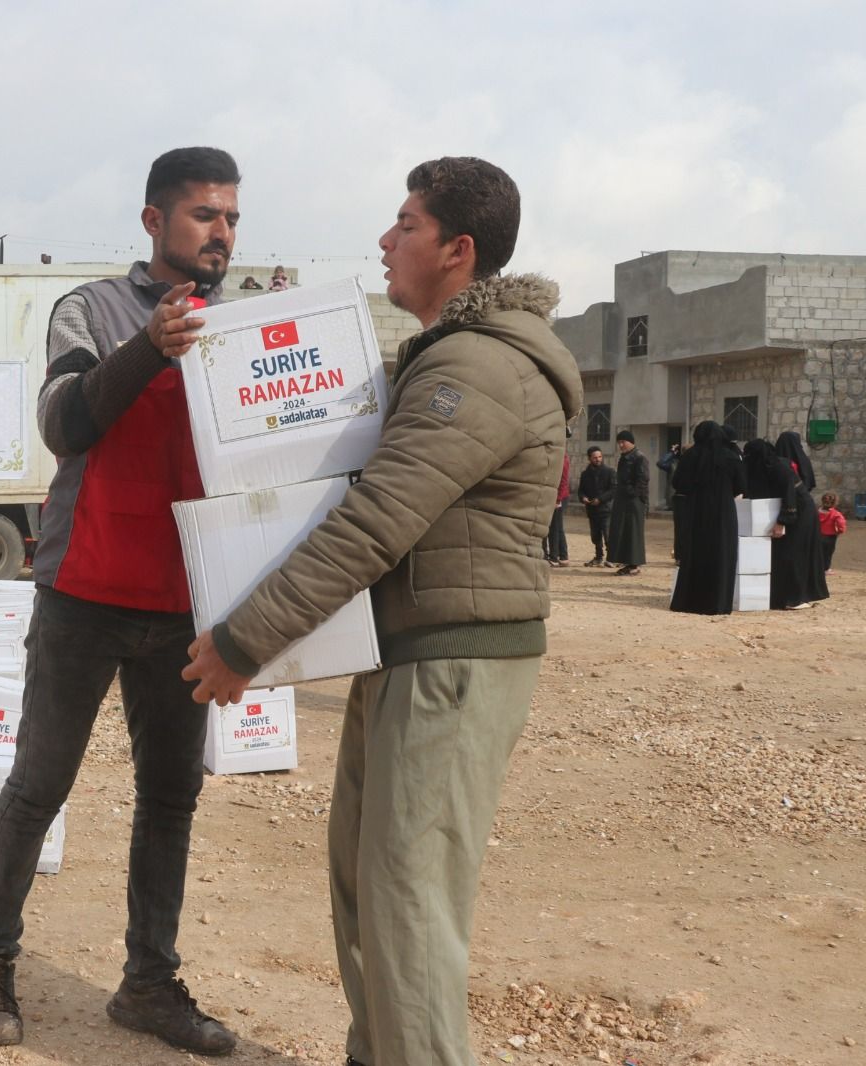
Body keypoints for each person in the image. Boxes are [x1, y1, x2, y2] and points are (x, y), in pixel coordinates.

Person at [181, 156, 582, 1066]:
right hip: (410, 650)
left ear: (458, 250)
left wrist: (245, 640)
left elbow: (373, 526)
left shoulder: (475, 370)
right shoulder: (457, 358)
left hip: (452, 661)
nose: (385, 241)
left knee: (408, 897)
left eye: (405, 224)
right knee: (366, 878)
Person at [0, 147, 240, 1057]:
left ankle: (148, 984)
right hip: (82, 591)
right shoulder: (91, 308)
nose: (222, 233)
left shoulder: (244, 331)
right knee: (39, 786)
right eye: (205, 215)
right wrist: (149, 348)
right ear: (155, 221)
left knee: (171, 799)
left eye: (232, 217)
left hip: (184, 605)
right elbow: (66, 422)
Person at [669, 422, 746, 614]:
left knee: (695, 553)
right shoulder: (731, 457)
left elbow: (678, 483)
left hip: (696, 510)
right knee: (721, 553)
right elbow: (741, 486)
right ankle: (718, 602)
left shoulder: (690, 456)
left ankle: (690, 601)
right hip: (723, 512)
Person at [774, 430, 831, 607]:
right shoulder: (801, 461)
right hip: (803, 511)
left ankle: (789, 594)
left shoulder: (778, 462)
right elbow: (808, 484)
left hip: (785, 511)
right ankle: (798, 595)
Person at [607, 430, 649, 575]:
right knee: (622, 531)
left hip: (634, 501)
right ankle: (626, 561)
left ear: (631, 442)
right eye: (619, 442)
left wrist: (631, 493)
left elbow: (642, 480)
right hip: (623, 499)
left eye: (623, 442)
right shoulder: (624, 457)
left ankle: (635, 564)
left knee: (633, 532)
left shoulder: (639, 458)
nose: (621, 445)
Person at [578, 445, 615, 565]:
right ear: (589, 458)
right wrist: (583, 497)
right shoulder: (585, 474)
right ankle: (598, 557)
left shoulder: (609, 472)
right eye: (595, 457)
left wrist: (600, 499)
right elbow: (581, 490)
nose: (598, 459)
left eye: (600, 457)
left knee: (608, 535)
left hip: (606, 509)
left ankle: (611, 558)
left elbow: (613, 489)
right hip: (592, 510)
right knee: (595, 536)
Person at [545, 446, 571, 565]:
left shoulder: (563, 459)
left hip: (560, 497)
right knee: (558, 527)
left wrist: (558, 499)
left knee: (554, 527)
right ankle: (564, 556)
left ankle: (554, 557)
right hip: (556, 496)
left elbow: (563, 481)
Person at [818, 492, 847, 573]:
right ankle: (826, 569)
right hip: (830, 537)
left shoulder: (816, 512)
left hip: (817, 536)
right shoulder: (836, 514)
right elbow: (841, 524)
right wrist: (840, 531)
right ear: (835, 503)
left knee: (817, 552)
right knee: (827, 554)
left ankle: (816, 568)